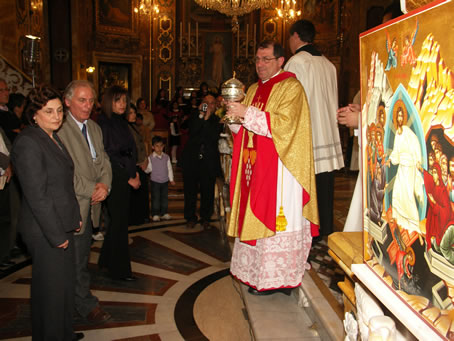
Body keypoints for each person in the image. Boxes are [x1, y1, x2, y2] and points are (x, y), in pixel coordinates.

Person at [225, 40, 319, 295]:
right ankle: (256, 273)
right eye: (257, 59)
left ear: (280, 61)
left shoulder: (291, 87)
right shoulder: (254, 88)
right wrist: (234, 120)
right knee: (252, 212)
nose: (260, 64)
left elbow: (286, 126)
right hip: (254, 167)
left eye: (266, 59)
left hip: (281, 169)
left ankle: (279, 277)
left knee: (279, 218)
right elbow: (247, 131)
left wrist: (247, 113)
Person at [11, 84, 84, 340]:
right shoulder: (28, 142)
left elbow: (63, 183)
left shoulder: (51, 136)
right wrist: (56, 234)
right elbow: (37, 196)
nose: (56, 117)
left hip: (60, 222)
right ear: (34, 114)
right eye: (49, 112)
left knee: (63, 288)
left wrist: (74, 217)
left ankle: (64, 333)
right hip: (44, 230)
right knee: (51, 293)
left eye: (59, 111)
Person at [57, 80, 112, 324]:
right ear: (67, 101)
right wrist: (92, 188)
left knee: (81, 259)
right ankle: (80, 304)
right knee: (73, 262)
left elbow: (104, 161)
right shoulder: (59, 129)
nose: (88, 105)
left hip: (91, 205)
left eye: (91, 100)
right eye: (82, 100)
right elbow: (64, 173)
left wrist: (105, 185)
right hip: (71, 206)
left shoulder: (94, 128)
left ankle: (76, 302)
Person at [284, 20, 344, 238]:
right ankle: (326, 230)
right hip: (327, 133)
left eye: (290, 37)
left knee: (306, 190)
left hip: (307, 136)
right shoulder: (329, 64)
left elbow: (289, 103)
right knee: (325, 187)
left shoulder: (296, 62)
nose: (290, 42)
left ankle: (309, 234)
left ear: (296, 36)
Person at [97, 85, 140, 281]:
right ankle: (120, 271)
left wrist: (135, 173)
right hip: (115, 178)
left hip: (126, 174)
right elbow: (109, 156)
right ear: (108, 102)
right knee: (119, 225)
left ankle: (106, 261)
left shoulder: (120, 121)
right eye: (117, 100)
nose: (123, 104)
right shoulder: (105, 123)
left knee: (117, 222)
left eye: (124, 100)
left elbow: (130, 151)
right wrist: (128, 177)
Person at [180, 94, 222, 229]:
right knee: (190, 190)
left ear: (215, 106)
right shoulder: (194, 117)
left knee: (207, 190)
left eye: (211, 103)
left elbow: (212, 137)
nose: (208, 106)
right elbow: (193, 132)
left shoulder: (218, 120)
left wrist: (208, 118)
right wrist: (202, 117)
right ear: (201, 104)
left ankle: (206, 217)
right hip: (192, 159)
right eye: (205, 103)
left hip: (208, 160)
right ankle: (190, 217)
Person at [385, 102, 424, 233]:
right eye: (398, 116)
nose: (400, 118)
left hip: (410, 167)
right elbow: (396, 151)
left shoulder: (407, 132)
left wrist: (418, 161)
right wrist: (391, 159)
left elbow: (415, 145)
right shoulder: (398, 133)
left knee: (407, 195)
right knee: (397, 193)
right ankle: (401, 223)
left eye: (402, 116)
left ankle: (413, 224)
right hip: (402, 167)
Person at [126, 104, 150, 225]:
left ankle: (142, 216)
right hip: (133, 165)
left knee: (142, 192)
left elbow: (141, 145)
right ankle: (135, 218)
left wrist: (145, 159)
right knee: (135, 194)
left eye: (134, 113)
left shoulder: (135, 126)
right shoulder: (125, 128)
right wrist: (138, 162)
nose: (134, 115)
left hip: (140, 163)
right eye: (130, 113)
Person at [145, 136, 175, 222]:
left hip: (165, 181)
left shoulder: (166, 157)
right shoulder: (150, 158)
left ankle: (164, 213)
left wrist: (171, 179)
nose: (159, 148)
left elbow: (169, 168)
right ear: (153, 147)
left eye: (161, 146)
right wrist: (145, 169)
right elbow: (149, 169)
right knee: (156, 198)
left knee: (164, 198)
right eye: (157, 146)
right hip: (155, 181)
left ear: (163, 146)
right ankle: (155, 214)